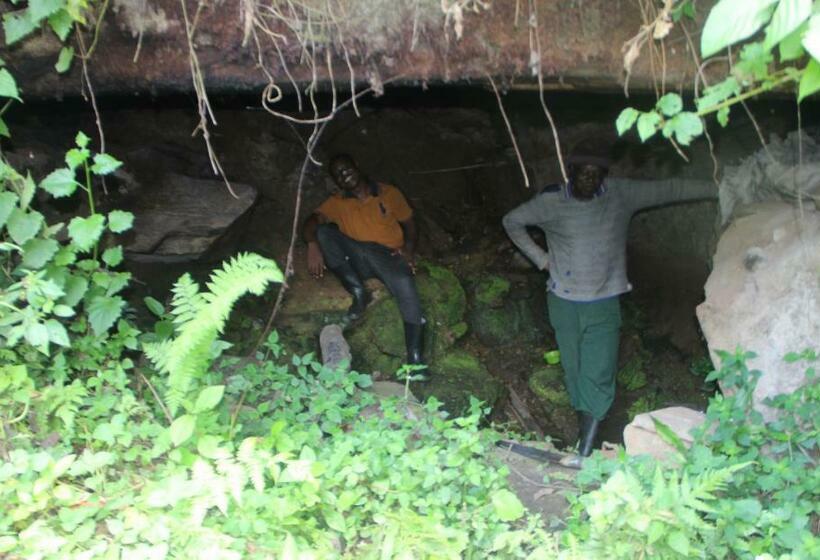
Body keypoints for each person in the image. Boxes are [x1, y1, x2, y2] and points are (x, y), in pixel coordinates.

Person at [502, 138, 716, 460]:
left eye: (595, 174)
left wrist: (717, 187)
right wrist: (541, 259)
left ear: (604, 175)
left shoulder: (620, 194)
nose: (589, 180)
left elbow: (669, 189)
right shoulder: (551, 202)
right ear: (570, 173)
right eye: (582, 173)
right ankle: (581, 439)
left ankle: (585, 451)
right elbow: (512, 221)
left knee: (598, 372)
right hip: (563, 302)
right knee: (574, 370)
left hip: (604, 301)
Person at [303, 154, 429, 379]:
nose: (344, 175)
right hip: (358, 256)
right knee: (325, 233)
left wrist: (409, 250)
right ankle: (358, 292)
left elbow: (410, 223)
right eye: (338, 174)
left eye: (346, 169)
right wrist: (312, 243)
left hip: (389, 256)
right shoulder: (337, 202)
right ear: (336, 181)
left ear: (357, 166)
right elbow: (312, 221)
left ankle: (416, 360)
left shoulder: (388, 193)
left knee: (405, 283)